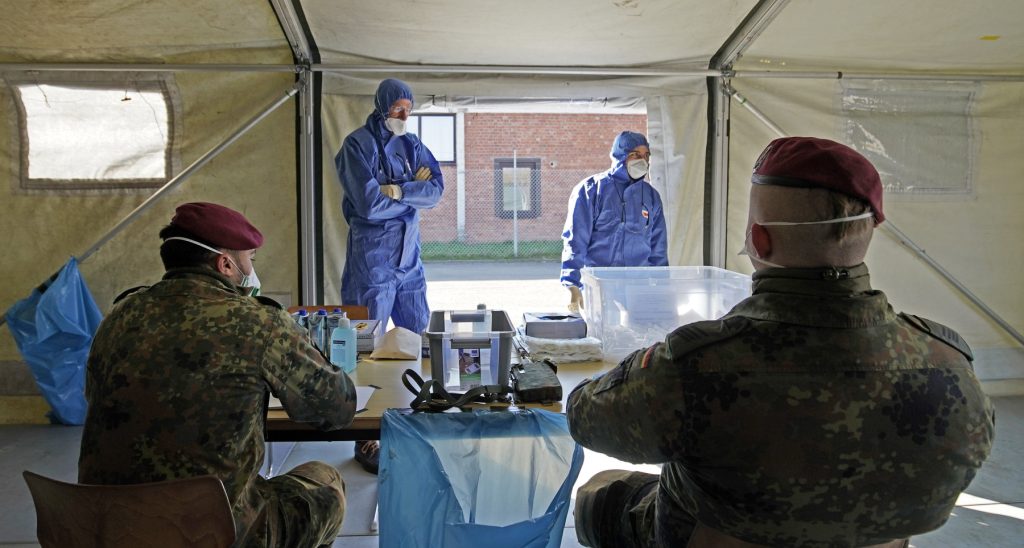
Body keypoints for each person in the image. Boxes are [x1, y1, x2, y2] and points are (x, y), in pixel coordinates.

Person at [566, 137, 996, 547]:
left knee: (601, 493)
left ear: (758, 240)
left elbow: (586, 417)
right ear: (867, 235)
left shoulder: (695, 367)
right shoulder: (950, 366)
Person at [78, 202, 356, 547]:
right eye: (250, 259)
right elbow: (338, 408)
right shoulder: (259, 322)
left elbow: (95, 396)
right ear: (225, 264)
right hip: (210, 532)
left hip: (107, 529)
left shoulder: (120, 316)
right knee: (325, 481)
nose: (252, 269)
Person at [334, 78, 444, 473]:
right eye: (398, 108)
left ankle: (414, 424)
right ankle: (366, 434)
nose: (403, 116)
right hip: (372, 263)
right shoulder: (356, 146)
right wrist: (411, 192)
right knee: (367, 351)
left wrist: (395, 191)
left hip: (409, 261)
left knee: (417, 342)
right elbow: (367, 205)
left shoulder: (411, 144)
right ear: (382, 105)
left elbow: (436, 191)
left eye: (408, 110)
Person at [560, 131, 668, 312]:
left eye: (646, 155)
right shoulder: (591, 190)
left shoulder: (651, 197)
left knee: (639, 330)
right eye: (635, 155)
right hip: (599, 287)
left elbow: (658, 249)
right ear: (620, 155)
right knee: (600, 329)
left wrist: (662, 287)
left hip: (638, 290)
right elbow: (575, 241)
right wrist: (572, 284)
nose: (642, 161)